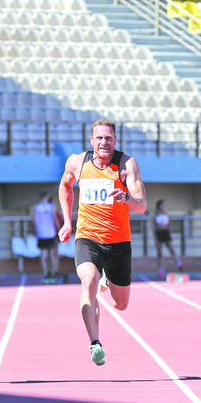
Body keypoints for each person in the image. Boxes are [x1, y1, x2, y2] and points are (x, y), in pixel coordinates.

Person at [58, 119, 147, 366]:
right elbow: (65, 187)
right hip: (88, 237)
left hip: (118, 242)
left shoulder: (126, 164)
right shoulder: (77, 162)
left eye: (108, 138)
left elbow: (142, 205)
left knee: (121, 304)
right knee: (89, 280)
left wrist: (127, 197)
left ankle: (108, 278)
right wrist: (67, 220)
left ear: (115, 141)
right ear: (91, 141)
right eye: (99, 138)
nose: (104, 142)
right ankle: (95, 342)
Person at [34, 191, 63, 284]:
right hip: (50, 233)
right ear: (46, 197)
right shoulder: (51, 206)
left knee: (43, 255)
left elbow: (34, 221)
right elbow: (55, 219)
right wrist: (59, 229)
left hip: (41, 233)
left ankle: (46, 274)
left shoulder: (37, 207)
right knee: (52, 254)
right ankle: (53, 273)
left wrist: (36, 231)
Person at [152, 199, 181, 278]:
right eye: (162, 205)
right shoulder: (155, 215)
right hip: (159, 233)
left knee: (171, 249)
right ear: (159, 206)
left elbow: (169, 226)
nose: (164, 207)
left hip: (166, 233)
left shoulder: (167, 215)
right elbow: (154, 228)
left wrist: (170, 235)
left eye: (164, 205)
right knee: (160, 253)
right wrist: (155, 239)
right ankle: (160, 269)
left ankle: (178, 263)